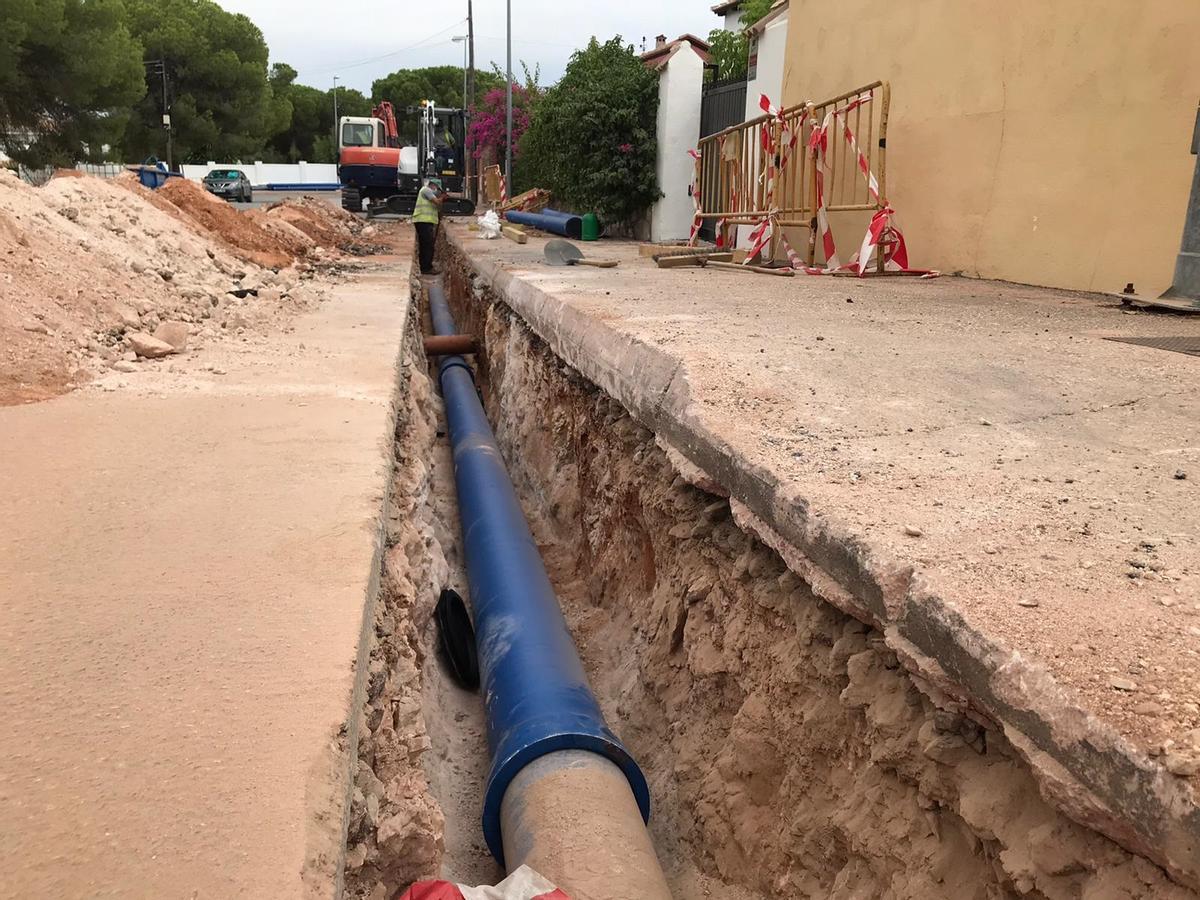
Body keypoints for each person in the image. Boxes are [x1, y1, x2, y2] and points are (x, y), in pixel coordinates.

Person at [412, 180, 445, 275]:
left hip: (425, 222)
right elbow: (437, 202)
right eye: (437, 189)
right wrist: (442, 197)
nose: (437, 191)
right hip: (423, 221)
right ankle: (427, 268)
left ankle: (425, 266)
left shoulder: (427, 191)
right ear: (433, 185)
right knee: (427, 246)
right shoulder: (426, 190)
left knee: (426, 245)